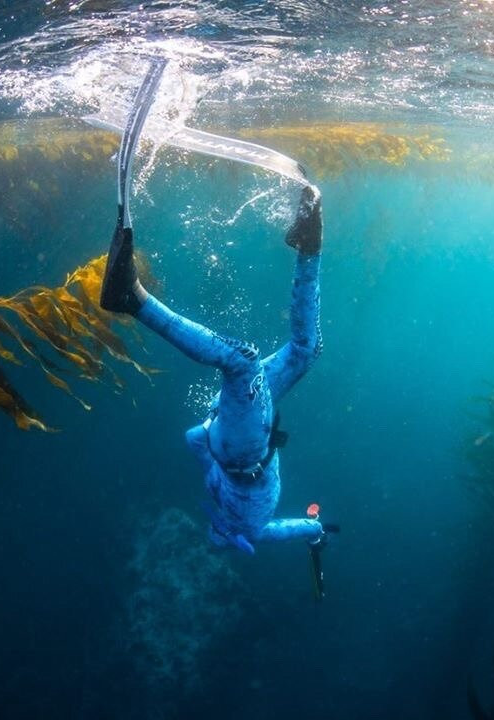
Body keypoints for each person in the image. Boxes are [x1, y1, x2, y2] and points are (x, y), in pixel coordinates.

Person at [99, 180, 337, 557]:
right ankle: (308, 244)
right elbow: (193, 437)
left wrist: (315, 531)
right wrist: (219, 422)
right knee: (305, 351)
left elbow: (294, 527)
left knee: (241, 362)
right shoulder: (218, 492)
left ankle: (132, 299)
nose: (221, 528)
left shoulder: (256, 530)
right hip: (238, 442)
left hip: (249, 448)